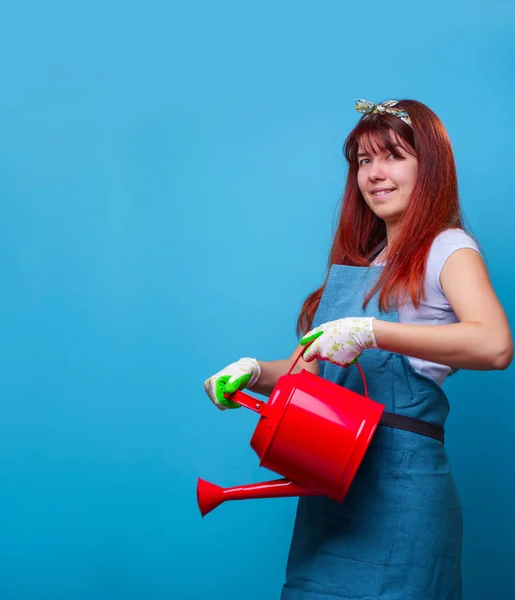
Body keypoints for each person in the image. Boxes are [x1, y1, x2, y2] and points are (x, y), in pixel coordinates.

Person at [203, 98, 513, 599]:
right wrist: (253, 371)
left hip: (401, 491)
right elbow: (307, 377)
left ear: (429, 165)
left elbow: (495, 344)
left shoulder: (446, 248)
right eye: (363, 161)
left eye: (392, 155)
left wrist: (375, 332)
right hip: (329, 486)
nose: (375, 173)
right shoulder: (360, 264)